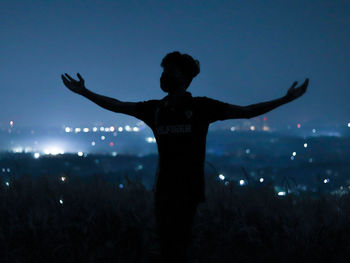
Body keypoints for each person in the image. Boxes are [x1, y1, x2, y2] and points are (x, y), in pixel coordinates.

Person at [61, 51, 308, 263]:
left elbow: (246, 112)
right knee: (169, 248)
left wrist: (286, 99)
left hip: (188, 191)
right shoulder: (155, 109)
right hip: (163, 191)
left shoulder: (202, 108)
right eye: (165, 70)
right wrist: (85, 92)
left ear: (186, 79)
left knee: (179, 248)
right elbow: (117, 105)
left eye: (171, 71)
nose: (165, 75)